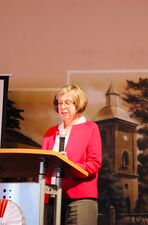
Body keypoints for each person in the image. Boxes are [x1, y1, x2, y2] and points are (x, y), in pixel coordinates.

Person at [41, 84, 102, 225]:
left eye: (67, 103)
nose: (62, 107)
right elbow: (42, 165)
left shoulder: (91, 128)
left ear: (78, 104)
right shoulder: (50, 132)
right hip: (51, 198)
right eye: (60, 103)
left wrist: (69, 165)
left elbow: (94, 163)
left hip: (80, 198)